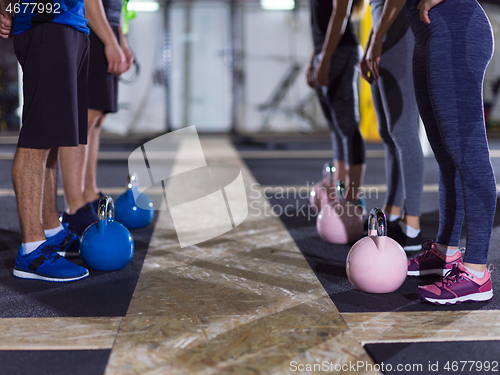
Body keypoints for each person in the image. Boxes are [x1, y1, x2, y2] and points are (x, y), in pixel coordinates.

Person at [406, 0, 495, 304]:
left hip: (457, 28)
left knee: (469, 156)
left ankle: (476, 272)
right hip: (428, 34)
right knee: (447, 156)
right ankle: (446, 252)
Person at [0, 0, 90, 281]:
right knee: (37, 140)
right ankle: (32, 250)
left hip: (69, 21)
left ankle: (51, 231)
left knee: (51, 137)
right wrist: (7, 6)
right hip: (46, 21)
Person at [58, 0, 134, 237]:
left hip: (106, 28)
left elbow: (113, 7)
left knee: (97, 118)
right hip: (92, 29)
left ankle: (89, 194)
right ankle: (75, 207)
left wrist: (120, 39)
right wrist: (111, 41)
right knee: (84, 119)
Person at [359, 0, 424, 251]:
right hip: (383, 34)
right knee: (388, 133)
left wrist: (378, 39)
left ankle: (413, 226)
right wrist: (371, 43)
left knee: (403, 131)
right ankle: (393, 210)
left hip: (398, 34)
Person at [307, 0, 367, 211]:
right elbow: (320, 25)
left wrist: (325, 59)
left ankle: (353, 198)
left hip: (339, 52)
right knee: (336, 128)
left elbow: (340, 14)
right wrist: (314, 60)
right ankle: (339, 192)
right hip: (326, 53)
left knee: (347, 126)